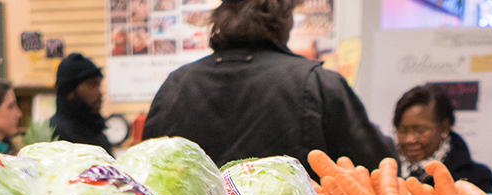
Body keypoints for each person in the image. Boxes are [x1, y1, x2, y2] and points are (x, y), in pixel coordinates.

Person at [142, 0, 389, 170]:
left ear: (220, 18)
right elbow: (377, 166)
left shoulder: (175, 84)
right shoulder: (318, 83)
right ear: (284, 20)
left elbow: (145, 173)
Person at [392, 85, 492, 193]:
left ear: (444, 128)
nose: (410, 140)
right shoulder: (387, 174)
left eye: (420, 130)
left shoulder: (476, 179)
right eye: (403, 131)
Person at [50, 53, 113, 151]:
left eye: (99, 85)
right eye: (92, 85)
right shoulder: (55, 136)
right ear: (70, 91)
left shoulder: (95, 131)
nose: (99, 93)